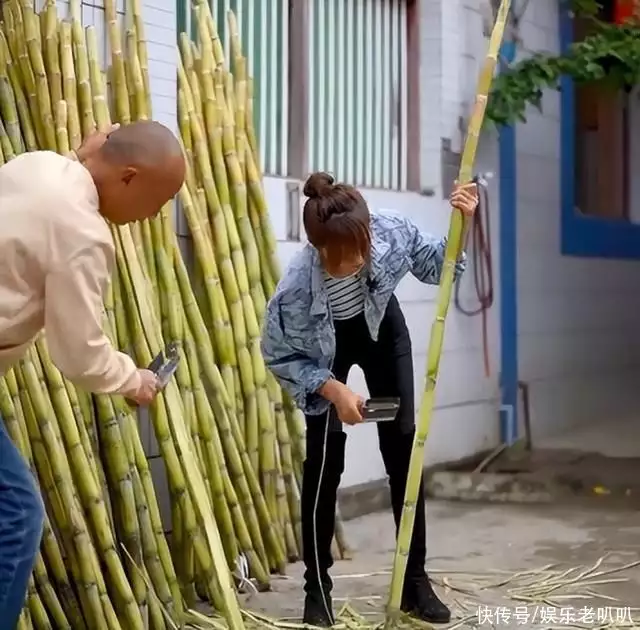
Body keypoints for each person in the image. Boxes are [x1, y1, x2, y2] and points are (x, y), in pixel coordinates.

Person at [261, 171, 478, 627]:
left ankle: (414, 582)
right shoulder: (298, 287)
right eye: (345, 255)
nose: (360, 258)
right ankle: (316, 589)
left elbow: (437, 267)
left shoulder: (389, 230)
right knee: (323, 463)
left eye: (363, 245)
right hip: (323, 349)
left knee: (403, 452)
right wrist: (330, 388)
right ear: (320, 250)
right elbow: (279, 354)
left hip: (383, 332)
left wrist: (464, 222)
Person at [0, 120, 186, 629]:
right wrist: (133, 379)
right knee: (16, 515)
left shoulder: (36, 163)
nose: (149, 217)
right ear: (128, 177)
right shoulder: (84, 233)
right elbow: (78, 351)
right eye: (155, 202)